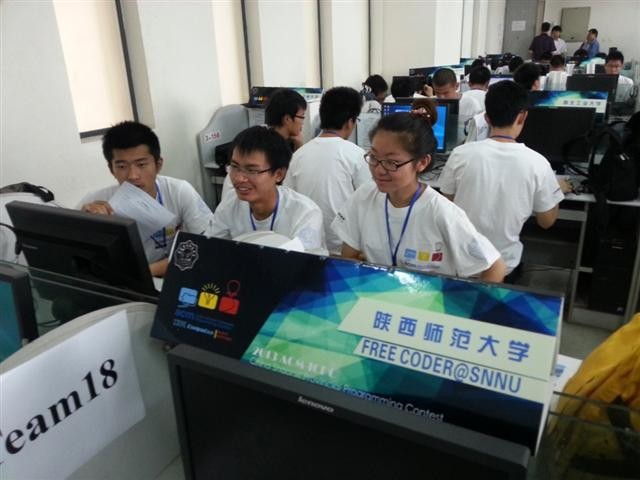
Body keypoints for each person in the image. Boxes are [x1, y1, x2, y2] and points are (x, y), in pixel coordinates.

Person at [331, 102, 506, 282]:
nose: (379, 170)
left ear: (422, 162)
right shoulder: (364, 196)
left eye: (392, 162)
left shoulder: (442, 214)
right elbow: (348, 259)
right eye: (374, 157)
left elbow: (495, 267)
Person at [439, 81, 568, 279]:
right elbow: (546, 222)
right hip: (503, 267)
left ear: (487, 118)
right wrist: (557, 189)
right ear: (522, 116)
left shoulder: (460, 154)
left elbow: (447, 204)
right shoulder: (538, 164)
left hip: (459, 263)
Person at [79, 121, 214, 277]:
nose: (132, 176)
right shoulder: (96, 202)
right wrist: (85, 224)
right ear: (111, 169)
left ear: (158, 165)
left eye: (141, 164)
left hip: (169, 275)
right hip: (119, 280)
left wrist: (146, 273)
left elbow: (207, 247)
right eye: (122, 166)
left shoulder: (179, 191)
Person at [207, 126, 327, 255]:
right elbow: (211, 249)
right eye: (235, 167)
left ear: (279, 174)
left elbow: (304, 263)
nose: (239, 178)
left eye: (252, 170)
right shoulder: (230, 204)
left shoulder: (305, 213)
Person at [284, 87, 371, 255]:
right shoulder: (357, 156)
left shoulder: (298, 156)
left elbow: (289, 202)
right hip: (345, 251)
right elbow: (369, 205)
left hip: (307, 248)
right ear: (350, 122)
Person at [221, 88, 308, 198]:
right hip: (242, 198)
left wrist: (298, 146)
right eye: (302, 116)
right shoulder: (269, 146)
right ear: (287, 119)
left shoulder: (269, 136)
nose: (303, 122)